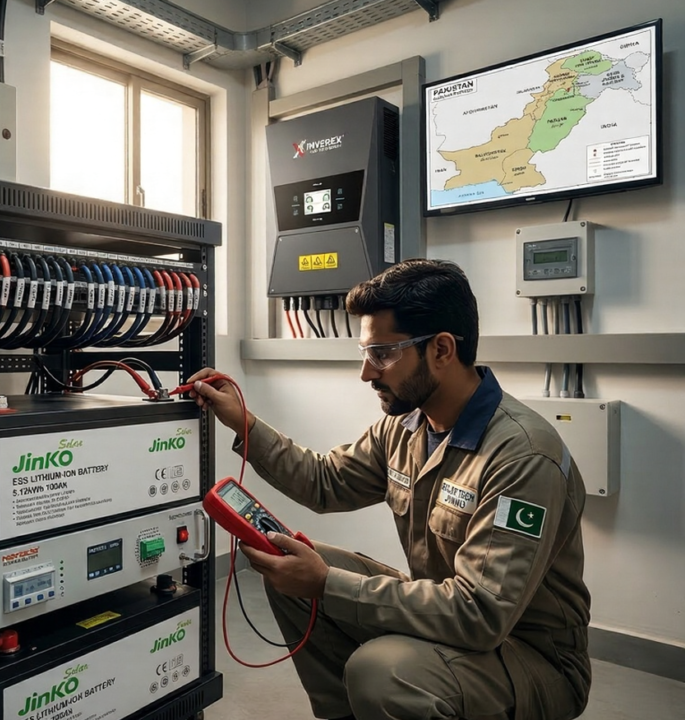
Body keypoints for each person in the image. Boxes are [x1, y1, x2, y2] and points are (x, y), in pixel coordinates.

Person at [188, 259, 591, 720]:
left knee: (381, 673)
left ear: (442, 349)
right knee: (288, 565)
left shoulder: (522, 456)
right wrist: (244, 421)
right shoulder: (405, 426)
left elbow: (480, 614)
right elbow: (325, 482)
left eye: (382, 353)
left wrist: (327, 582)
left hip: (530, 659)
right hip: (448, 617)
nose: (366, 372)